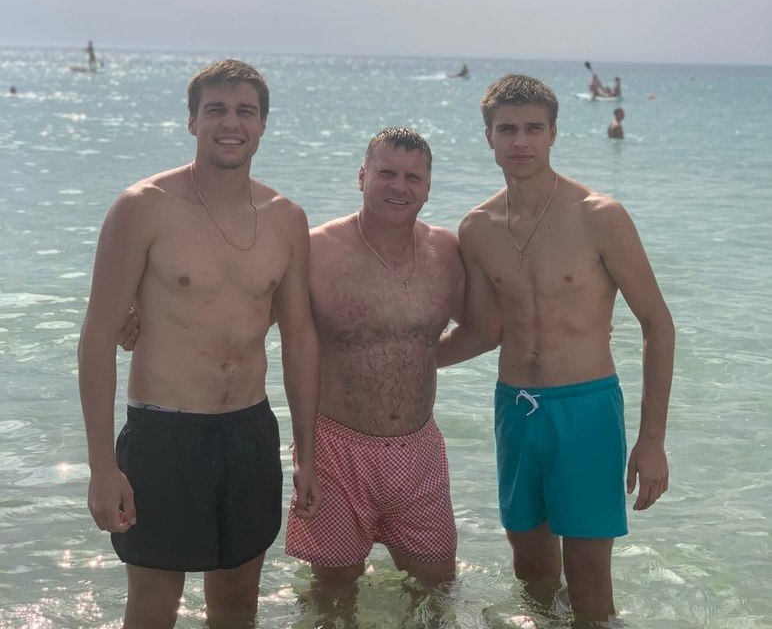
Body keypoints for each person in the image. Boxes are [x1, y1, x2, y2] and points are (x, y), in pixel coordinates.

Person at [78, 59, 321, 629]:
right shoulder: (143, 207)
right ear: (192, 121)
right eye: (216, 110)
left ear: (263, 124)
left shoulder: (286, 218)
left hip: (249, 431)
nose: (230, 123)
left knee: (238, 603)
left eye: (245, 111)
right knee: (154, 606)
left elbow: (300, 338)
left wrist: (307, 454)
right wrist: (102, 467)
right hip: (164, 433)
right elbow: (97, 336)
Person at [440, 74, 674, 623]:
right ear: (489, 137)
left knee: (590, 587)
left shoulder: (599, 216)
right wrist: (410, 361)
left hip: (586, 410)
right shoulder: (477, 228)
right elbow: (484, 331)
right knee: (532, 575)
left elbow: (657, 324)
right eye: (508, 129)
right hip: (515, 410)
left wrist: (652, 441)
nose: (521, 141)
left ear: (553, 134)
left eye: (533, 129)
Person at [284, 127, 465, 587]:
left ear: (428, 187)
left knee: (437, 588)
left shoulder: (445, 252)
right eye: (386, 173)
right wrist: (146, 319)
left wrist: (422, 357)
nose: (398, 187)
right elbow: (244, 313)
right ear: (362, 176)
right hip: (334, 449)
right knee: (334, 595)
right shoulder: (315, 251)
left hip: (419, 449)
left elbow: (488, 326)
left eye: (412, 177)